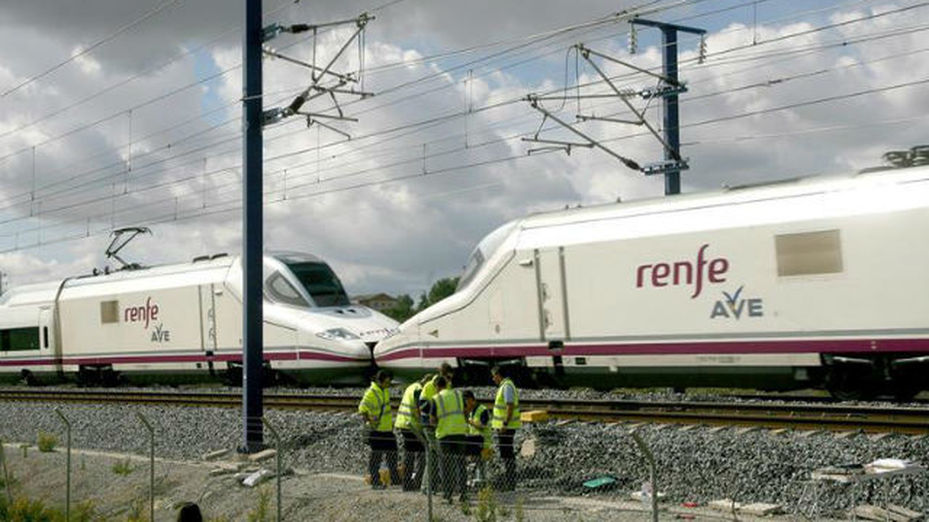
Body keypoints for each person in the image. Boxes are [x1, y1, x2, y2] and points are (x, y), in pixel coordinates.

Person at [358, 370, 400, 489]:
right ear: (380, 381)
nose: (388, 384)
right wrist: (369, 422)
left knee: (393, 454)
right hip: (376, 430)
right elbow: (362, 409)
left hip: (387, 429)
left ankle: (395, 479)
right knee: (376, 457)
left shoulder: (385, 390)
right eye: (387, 382)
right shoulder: (371, 393)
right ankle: (375, 482)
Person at [431, 376, 469, 503]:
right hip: (460, 433)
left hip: (444, 435)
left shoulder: (436, 398)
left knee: (445, 465)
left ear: (437, 386)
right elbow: (466, 411)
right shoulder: (458, 394)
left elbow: (432, 419)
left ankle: (448, 495)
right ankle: (463, 494)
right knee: (461, 464)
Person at [395, 374, 431, 491]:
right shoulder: (419, 390)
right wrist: (424, 424)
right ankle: (419, 481)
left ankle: (406, 482)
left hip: (404, 423)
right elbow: (418, 409)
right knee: (422, 452)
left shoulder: (411, 387)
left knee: (409, 453)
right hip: (412, 426)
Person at [491, 365, 521, 492]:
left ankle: (510, 483)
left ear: (498, 375)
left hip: (506, 427)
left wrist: (504, 423)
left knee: (507, 454)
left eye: (494, 376)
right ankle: (509, 482)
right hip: (505, 427)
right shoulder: (505, 386)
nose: (493, 379)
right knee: (506, 453)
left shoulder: (507, 386)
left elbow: (509, 406)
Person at [463, 390, 492, 485]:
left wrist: (469, 421)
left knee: (481, 463)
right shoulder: (471, 411)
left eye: (466, 401)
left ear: (471, 400)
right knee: (477, 463)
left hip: (484, 442)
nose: (465, 404)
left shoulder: (482, 409)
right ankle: (478, 482)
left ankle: (482, 483)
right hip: (475, 441)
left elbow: (482, 425)